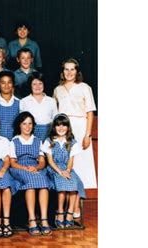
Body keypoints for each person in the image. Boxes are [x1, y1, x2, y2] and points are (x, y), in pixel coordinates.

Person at [53, 58, 97, 219]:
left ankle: (76, 205)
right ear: (62, 71)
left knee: (81, 167)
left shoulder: (85, 88)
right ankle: (65, 206)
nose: (69, 72)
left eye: (72, 69)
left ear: (77, 71)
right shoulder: (58, 89)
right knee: (66, 165)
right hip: (63, 129)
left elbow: (90, 112)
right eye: (66, 69)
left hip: (80, 127)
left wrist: (87, 135)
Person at [9, 111, 53, 236]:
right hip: (20, 168)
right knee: (31, 182)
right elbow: (13, 162)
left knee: (43, 182)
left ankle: (44, 219)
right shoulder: (14, 141)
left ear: (33, 125)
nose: (27, 127)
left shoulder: (38, 141)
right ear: (19, 125)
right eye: (24, 124)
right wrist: (25, 168)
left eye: (30, 124)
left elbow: (42, 162)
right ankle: (32, 219)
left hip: (35, 167)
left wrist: (36, 167)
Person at [41, 113, 86, 229]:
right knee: (61, 184)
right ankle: (60, 212)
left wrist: (67, 170)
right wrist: (60, 172)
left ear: (68, 127)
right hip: (54, 168)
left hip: (67, 168)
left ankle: (69, 213)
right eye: (58, 125)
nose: (61, 128)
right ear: (54, 127)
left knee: (74, 183)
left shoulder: (72, 142)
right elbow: (50, 161)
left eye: (64, 126)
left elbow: (71, 160)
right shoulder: (49, 141)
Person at [20, 72, 57, 141]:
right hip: (31, 134)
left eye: (40, 83)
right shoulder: (24, 101)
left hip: (48, 134)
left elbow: (55, 120)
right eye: (34, 84)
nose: (37, 86)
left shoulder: (51, 101)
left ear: (44, 84)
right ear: (30, 85)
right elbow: (22, 122)